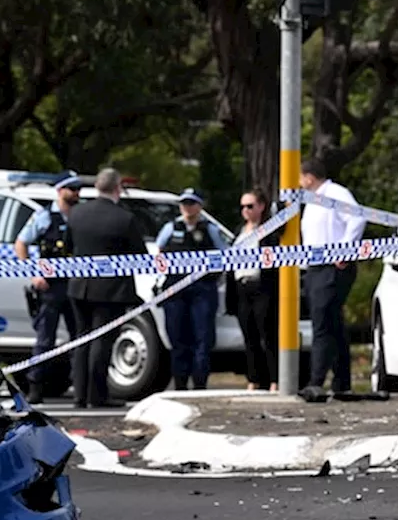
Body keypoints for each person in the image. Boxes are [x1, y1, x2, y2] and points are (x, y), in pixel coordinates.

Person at [63, 168, 148, 409]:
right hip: (111, 290)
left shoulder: (76, 214)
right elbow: (139, 255)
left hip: (79, 286)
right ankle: (97, 395)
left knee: (81, 339)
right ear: (117, 188)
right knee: (102, 341)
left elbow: (68, 246)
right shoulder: (125, 218)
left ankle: (80, 395)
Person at [297, 158, 366, 403]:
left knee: (322, 324)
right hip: (316, 268)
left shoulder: (336, 194)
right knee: (333, 325)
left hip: (333, 267)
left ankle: (315, 382)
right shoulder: (313, 201)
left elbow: (357, 218)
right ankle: (342, 383)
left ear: (309, 177)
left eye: (300, 177)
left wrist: (345, 251)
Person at [13, 171, 83, 404]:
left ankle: (80, 388)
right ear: (60, 191)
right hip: (51, 287)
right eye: (71, 189)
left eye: (78, 189)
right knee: (45, 340)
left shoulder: (81, 215)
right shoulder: (44, 216)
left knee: (78, 337)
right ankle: (35, 387)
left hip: (75, 284)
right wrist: (33, 274)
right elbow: (21, 243)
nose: (76, 193)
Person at [155, 188, 228, 390]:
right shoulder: (171, 227)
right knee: (178, 338)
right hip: (176, 290)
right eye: (184, 203)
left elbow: (225, 255)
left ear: (200, 206)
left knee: (202, 338)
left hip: (202, 290)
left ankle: (199, 383)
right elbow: (158, 252)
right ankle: (180, 383)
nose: (187, 208)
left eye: (192, 203)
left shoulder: (210, 229)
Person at [233, 188, 280, 391]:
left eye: (250, 206)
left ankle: (275, 379)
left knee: (268, 335)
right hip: (242, 288)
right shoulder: (239, 232)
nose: (246, 210)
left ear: (261, 207)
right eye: (243, 206)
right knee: (249, 336)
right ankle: (253, 379)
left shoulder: (268, 231)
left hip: (262, 287)